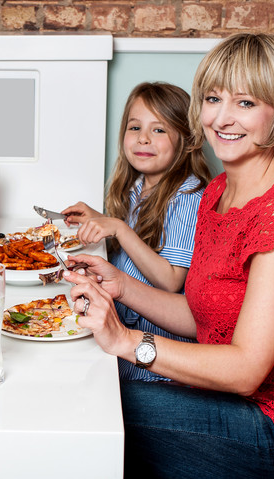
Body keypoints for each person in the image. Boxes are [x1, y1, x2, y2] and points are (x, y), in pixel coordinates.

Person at [64, 33, 274, 479]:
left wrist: (127, 342)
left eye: (244, 102)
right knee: (84, 392)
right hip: (230, 408)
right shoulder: (219, 191)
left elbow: (247, 370)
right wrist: (120, 286)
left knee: (82, 409)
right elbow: (198, 313)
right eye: (212, 98)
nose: (221, 118)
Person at [61, 82, 211, 382]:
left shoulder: (188, 196)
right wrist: (100, 220)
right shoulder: (136, 188)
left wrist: (117, 228)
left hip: (154, 361)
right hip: (120, 332)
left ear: (186, 138)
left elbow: (170, 280)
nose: (143, 138)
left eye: (159, 130)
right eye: (134, 127)